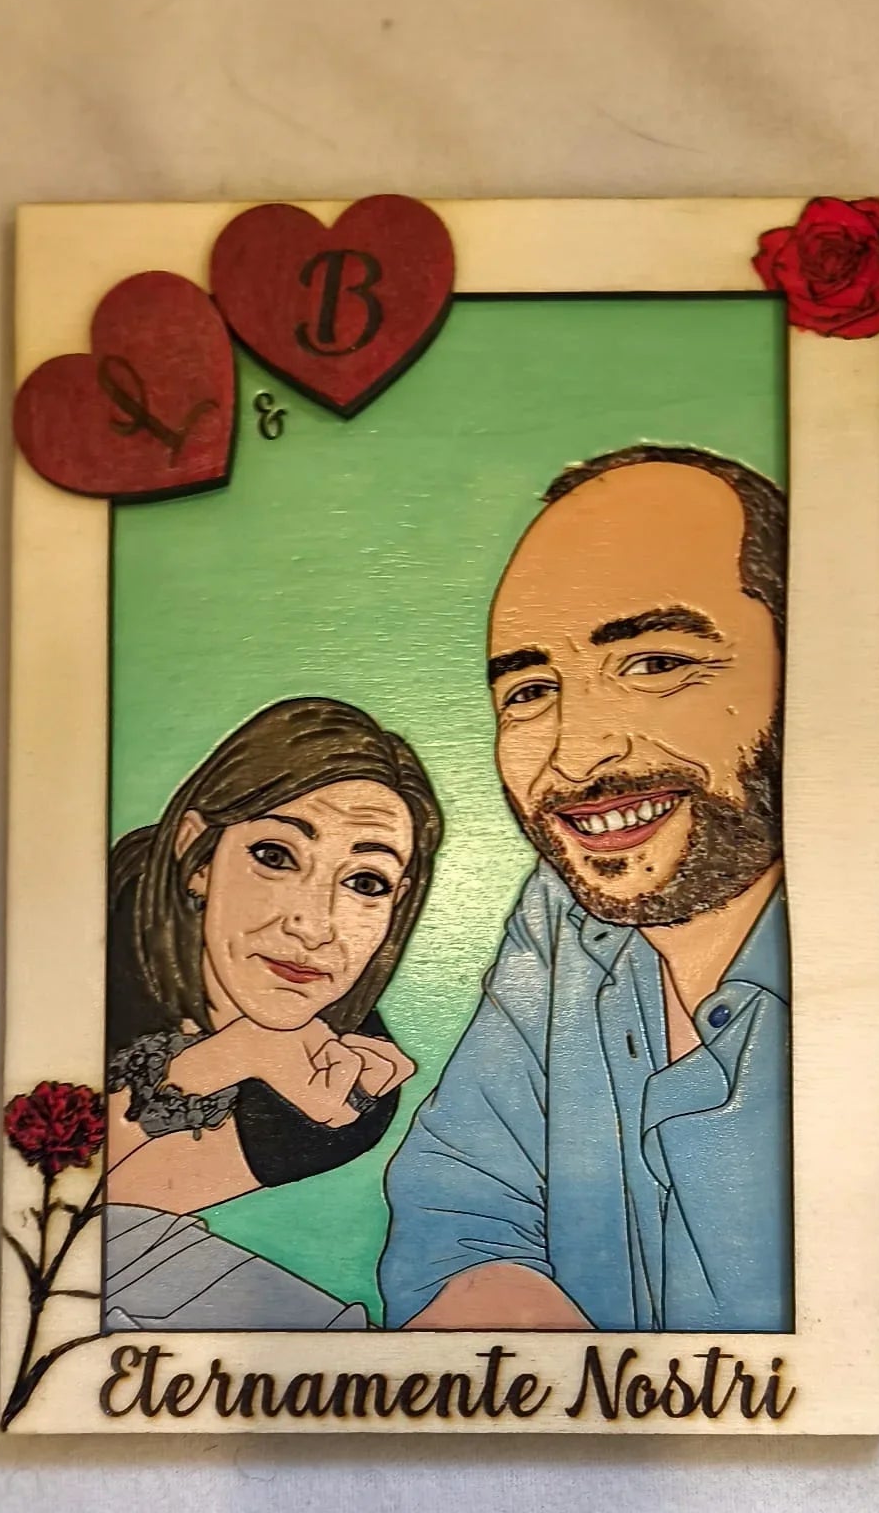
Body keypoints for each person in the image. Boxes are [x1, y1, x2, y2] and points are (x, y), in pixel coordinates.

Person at [379, 445, 792, 1334]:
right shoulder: (563, 915)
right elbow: (459, 1211)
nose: (575, 755)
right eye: (530, 691)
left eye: (654, 664)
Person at [107, 696, 442, 1219]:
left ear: (397, 903)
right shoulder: (96, 936)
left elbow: (108, 1217)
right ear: (197, 857)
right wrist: (219, 1060)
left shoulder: (349, 1080)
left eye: (365, 883)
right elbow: (52, 1190)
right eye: (275, 856)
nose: (314, 928)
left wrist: (246, 1058)